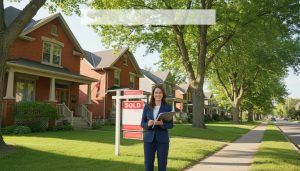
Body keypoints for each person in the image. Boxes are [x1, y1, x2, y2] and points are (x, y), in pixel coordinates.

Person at [140, 85, 173, 171]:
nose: (158, 94)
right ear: (153, 94)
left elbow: (171, 125)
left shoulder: (167, 107)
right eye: (156, 92)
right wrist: (148, 124)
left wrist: (162, 124)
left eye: (160, 92)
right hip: (148, 140)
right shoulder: (147, 107)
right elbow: (142, 123)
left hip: (162, 140)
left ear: (163, 94)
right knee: (148, 164)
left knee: (162, 164)